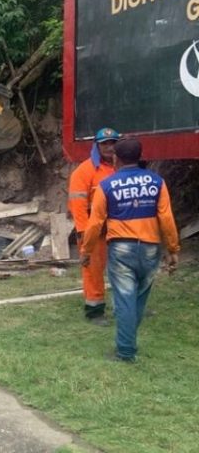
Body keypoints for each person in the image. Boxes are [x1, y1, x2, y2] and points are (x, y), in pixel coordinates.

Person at [80, 138, 179, 362]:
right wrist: (173, 249)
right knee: (138, 299)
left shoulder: (107, 185)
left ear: (116, 158)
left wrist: (86, 251)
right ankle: (128, 343)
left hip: (121, 249)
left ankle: (125, 351)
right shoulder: (157, 182)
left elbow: (95, 223)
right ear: (139, 156)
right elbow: (166, 218)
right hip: (150, 249)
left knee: (125, 300)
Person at [67, 127, 120, 325]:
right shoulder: (83, 172)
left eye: (113, 143)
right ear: (97, 146)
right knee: (93, 271)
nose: (109, 147)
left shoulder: (122, 169)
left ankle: (125, 306)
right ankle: (95, 311)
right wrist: (84, 233)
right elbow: (77, 205)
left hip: (119, 229)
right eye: (105, 144)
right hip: (94, 232)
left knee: (123, 269)